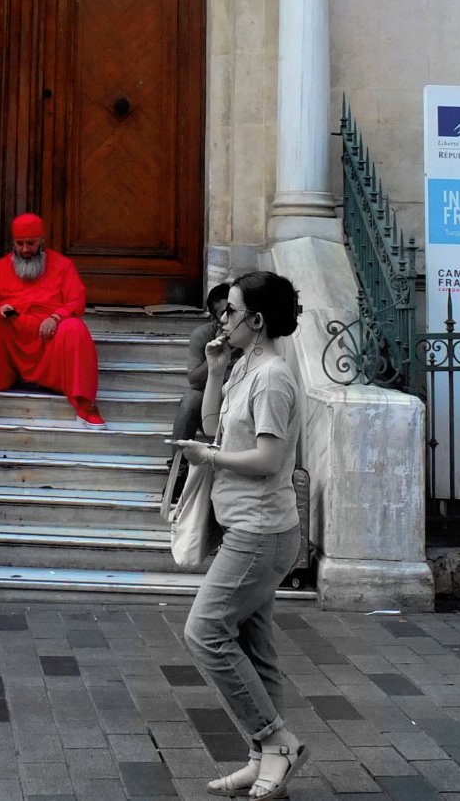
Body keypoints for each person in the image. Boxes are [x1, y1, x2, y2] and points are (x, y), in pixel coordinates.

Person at [176, 271, 305, 801]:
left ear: (256, 320)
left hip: (261, 532)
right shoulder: (245, 367)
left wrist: (209, 459)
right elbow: (212, 423)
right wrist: (213, 370)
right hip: (245, 528)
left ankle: (277, 742)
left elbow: (269, 459)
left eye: (229, 312)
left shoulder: (273, 376)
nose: (219, 319)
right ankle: (262, 757)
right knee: (255, 647)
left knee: (204, 632)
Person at [0, 213, 105, 429]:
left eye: (31, 243)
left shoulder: (63, 266)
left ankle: (85, 405)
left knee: (74, 328)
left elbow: (76, 301)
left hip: (49, 340)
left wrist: (56, 317)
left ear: (42, 241)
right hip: (12, 340)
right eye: (20, 244)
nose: (25, 250)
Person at [171, 282, 231, 445]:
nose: (228, 318)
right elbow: (194, 381)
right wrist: (215, 354)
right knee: (191, 399)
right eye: (223, 313)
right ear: (214, 319)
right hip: (213, 403)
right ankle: (179, 465)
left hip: (240, 402)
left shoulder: (249, 333)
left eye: (233, 311)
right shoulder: (203, 335)